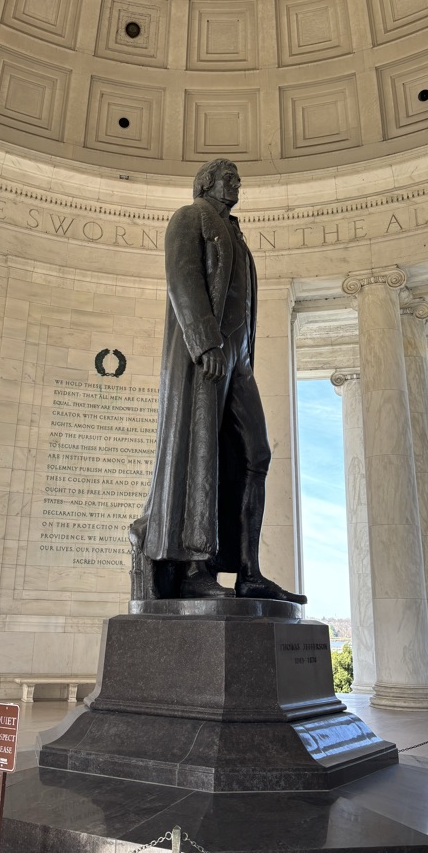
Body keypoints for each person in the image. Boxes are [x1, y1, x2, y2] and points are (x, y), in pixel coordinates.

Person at [130, 158, 306, 604]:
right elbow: (183, 279)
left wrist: (238, 354)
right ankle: (194, 566)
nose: (237, 185)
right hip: (205, 353)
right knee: (200, 455)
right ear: (205, 182)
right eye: (229, 178)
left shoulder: (238, 237)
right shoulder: (190, 218)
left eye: (239, 180)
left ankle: (249, 571)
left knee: (255, 455)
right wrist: (204, 342)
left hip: (239, 360)